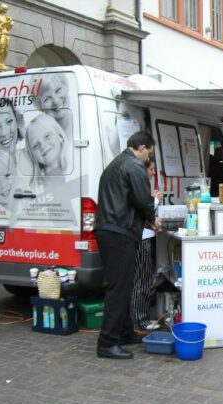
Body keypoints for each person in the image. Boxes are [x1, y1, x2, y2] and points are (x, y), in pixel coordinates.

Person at [94, 131, 161, 359]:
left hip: (109, 229)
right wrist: (153, 219)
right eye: (149, 153)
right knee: (119, 288)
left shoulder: (116, 163)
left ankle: (123, 332)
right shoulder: (133, 166)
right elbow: (143, 199)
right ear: (141, 147)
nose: (148, 158)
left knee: (122, 284)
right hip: (119, 231)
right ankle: (107, 343)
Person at [131, 160, 163, 331]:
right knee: (142, 280)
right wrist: (155, 201)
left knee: (142, 278)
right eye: (151, 170)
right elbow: (144, 211)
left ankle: (137, 317)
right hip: (141, 238)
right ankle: (140, 320)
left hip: (144, 235)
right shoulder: (139, 185)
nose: (153, 173)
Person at [24, 113, 72, 187]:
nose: (43, 146)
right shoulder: (33, 186)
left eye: (47, 136)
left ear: (60, 136)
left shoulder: (76, 168)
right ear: (32, 154)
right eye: (36, 145)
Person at [34, 73, 73, 138]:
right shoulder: (40, 138)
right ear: (40, 107)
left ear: (66, 87)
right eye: (46, 99)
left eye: (58, 90)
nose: (56, 101)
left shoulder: (84, 121)